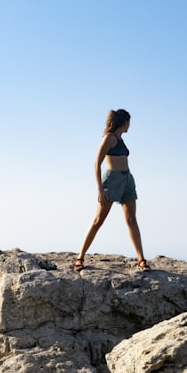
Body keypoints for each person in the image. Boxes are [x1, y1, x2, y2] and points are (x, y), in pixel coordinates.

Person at [74, 109, 150, 271]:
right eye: (129, 122)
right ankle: (80, 258)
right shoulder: (109, 138)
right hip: (112, 181)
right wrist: (100, 189)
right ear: (124, 122)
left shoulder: (120, 139)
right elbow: (96, 163)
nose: (130, 125)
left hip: (127, 180)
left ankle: (141, 260)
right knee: (98, 221)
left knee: (131, 220)